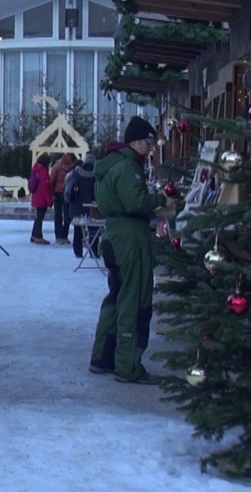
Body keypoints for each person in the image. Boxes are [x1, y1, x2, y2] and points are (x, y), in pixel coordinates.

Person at [89, 116, 172, 385]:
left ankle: (102, 357)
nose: (150, 149)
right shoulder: (128, 167)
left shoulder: (110, 164)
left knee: (116, 296)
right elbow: (135, 202)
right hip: (130, 239)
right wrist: (161, 199)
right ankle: (128, 366)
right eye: (148, 143)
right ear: (135, 141)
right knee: (133, 301)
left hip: (114, 235)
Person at [66, 153, 99, 259]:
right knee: (94, 230)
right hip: (93, 207)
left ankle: (78, 252)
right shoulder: (97, 175)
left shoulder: (76, 173)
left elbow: (68, 188)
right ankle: (94, 251)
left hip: (77, 206)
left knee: (78, 230)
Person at [49, 154, 75, 246]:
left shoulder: (73, 168)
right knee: (58, 215)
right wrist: (52, 193)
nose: (66, 167)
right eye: (65, 165)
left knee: (68, 215)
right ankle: (59, 236)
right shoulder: (56, 168)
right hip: (58, 193)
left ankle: (65, 235)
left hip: (68, 193)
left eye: (68, 165)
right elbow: (52, 181)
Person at [28, 154, 54, 245]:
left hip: (36, 197)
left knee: (38, 217)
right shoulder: (43, 172)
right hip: (42, 199)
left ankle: (34, 235)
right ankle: (38, 236)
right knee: (39, 218)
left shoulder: (36, 170)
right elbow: (45, 188)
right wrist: (49, 201)